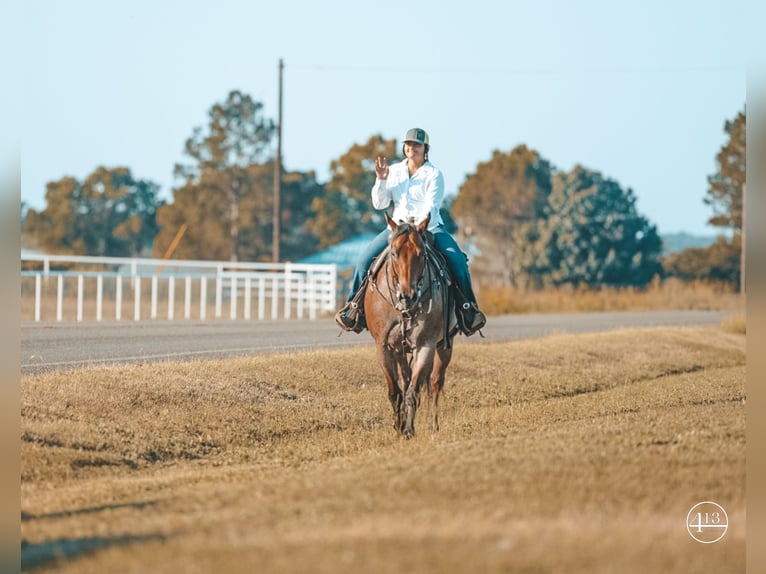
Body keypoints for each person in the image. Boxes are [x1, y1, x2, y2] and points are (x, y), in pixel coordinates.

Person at [335, 127, 486, 336]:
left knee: (458, 261)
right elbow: (380, 204)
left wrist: (416, 228)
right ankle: (353, 308)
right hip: (396, 229)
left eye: (416, 145)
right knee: (363, 261)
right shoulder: (394, 171)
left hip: (428, 227)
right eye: (408, 144)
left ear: (426, 149)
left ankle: (468, 310)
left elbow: (432, 206)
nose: (411, 148)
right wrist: (380, 180)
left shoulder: (434, 174)